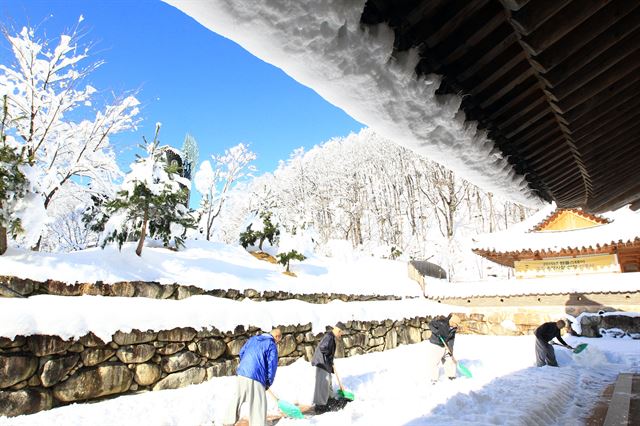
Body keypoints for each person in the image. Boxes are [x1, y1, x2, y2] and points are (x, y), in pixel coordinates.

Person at [222, 328, 282, 426]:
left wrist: (245, 366)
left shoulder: (254, 339)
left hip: (242, 372)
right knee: (257, 402)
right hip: (256, 375)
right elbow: (272, 365)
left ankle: (228, 421)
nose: (277, 342)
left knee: (238, 397)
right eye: (279, 340)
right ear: (277, 336)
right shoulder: (271, 345)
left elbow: (242, 352)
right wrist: (268, 381)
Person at [311, 322, 346, 413]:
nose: (341, 335)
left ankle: (329, 399)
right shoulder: (329, 337)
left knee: (327, 382)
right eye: (341, 333)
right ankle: (321, 406)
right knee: (323, 384)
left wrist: (330, 360)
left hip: (324, 363)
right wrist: (329, 357)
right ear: (338, 330)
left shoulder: (330, 336)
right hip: (322, 363)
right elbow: (323, 348)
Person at [427, 314, 457, 384]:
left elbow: (452, 340)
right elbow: (431, 324)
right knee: (435, 362)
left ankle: (451, 376)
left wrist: (450, 351)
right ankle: (434, 379)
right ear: (452, 322)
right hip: (436, 344)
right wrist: (437, 332)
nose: (456, 326)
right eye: (456, 324)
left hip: (445, 345)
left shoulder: (453, 328)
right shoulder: (442, 322)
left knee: (450, 360)